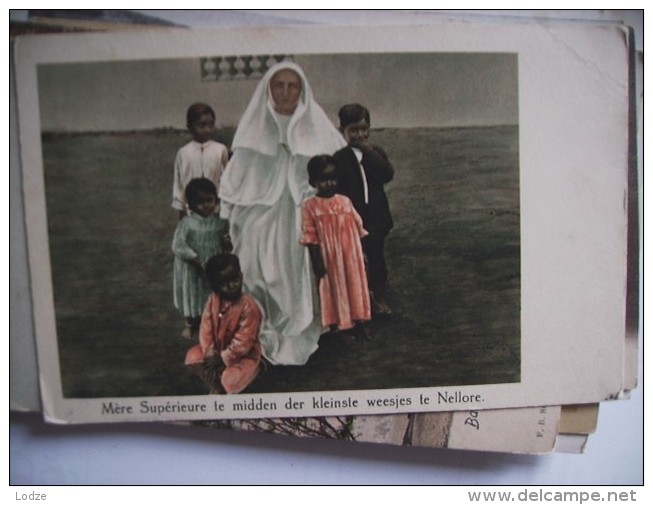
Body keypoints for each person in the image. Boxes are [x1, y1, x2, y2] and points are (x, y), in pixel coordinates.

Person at [218, 61, 346, 365]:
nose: (286, 92)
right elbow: (237, 176)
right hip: (261, 208)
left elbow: (334, 173)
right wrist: (229, 214)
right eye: (279, 85)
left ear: (301, 90)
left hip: (300, 210)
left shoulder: (315, 124)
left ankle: (294, 333)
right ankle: (260, 330)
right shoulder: (256, 124)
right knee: (253, 258)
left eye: (292, 86)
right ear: (268, 89)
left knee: (295, 265)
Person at [333, 103, 395, 316]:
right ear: (343, 131)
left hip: (376, 217)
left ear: (369, 128)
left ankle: (378, 295)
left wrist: (370, 154)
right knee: (355, 260)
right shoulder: (339, 158)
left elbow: (387, 174)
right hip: (353, 218)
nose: (359, 135)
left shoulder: (375, 153)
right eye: (353, 130)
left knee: (377, 258)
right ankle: (358, 302)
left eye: (363, 129)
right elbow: (338, 190)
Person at [301, 155, 371, 339]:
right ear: (313, 182)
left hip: (350, 253)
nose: (329, 183)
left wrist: (361, 252)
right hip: (329, 256)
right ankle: (337, 326)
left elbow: (357, 225)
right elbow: (311, 235)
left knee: (354, 284)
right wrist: (317, 261)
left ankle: (359, 322)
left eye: (332, 178)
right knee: (332, 288)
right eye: (323, 180)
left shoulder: (344, 201)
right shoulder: (310, 206)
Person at [184, 253, 263, 394]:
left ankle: (224, 382)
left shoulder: (249, 306)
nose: (231, 286)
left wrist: (222, 358)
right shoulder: (213, 300)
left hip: (243, 357)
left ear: (241, 276)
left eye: (235, 279)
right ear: (214, 286)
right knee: (192, 356)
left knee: (229, 379)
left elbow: (244, 342)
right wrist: (210, 354)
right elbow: (205, 330)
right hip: (217, 353)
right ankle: (215, 381)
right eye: (224, 283)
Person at [172, 178, 230, 340]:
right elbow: (178, 246)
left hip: (213, 265)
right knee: (192, 295)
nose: (205, 205)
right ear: (190, 205)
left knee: (213, 294)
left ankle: (214, 325)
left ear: (216, 200)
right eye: (199, 202)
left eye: (209, 200)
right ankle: (190, 324)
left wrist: (227, 244)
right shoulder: (187, 223)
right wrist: (195, 258)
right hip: (192, 268)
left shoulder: (221, 221)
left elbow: (228, 238)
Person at [172, 102, 229, 219]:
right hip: (192, 211)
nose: (207, 129)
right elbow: (179, 183)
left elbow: (227, 179)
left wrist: (224, 206)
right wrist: (181, 210)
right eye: (201, 125)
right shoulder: (184, 153)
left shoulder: (220, 150)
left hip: (216, 209)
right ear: (190, 127)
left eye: (211, 125)